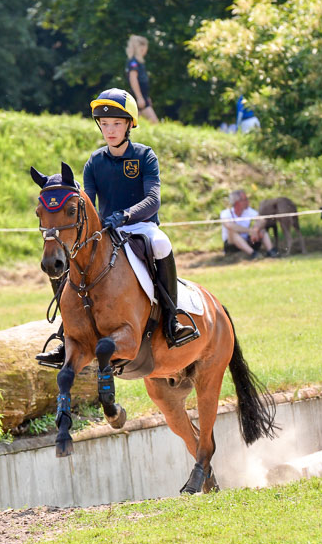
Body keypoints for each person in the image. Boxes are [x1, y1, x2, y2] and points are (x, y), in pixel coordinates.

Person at [36, 88, 198, 368]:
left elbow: (153, 199)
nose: (109, 130)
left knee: (161, 244)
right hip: (106, 231)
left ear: (129, 125)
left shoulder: (145, 156)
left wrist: (124, 216)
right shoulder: (94, 162)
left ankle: (172, 319)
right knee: (68, 259)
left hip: (140, 226)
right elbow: (88, 204)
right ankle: (66, 335)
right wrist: (98, 224)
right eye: (105, 125)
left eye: (116, 124)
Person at [220, 190, 278, 260]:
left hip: (247, 241)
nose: (247, 201)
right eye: (245, 199)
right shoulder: (225, 213)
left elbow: (262, 220)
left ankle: (271, 251)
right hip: (231, 245)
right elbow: (229, 225)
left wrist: (256, 229)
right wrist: (249, 231)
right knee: (232, 231)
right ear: (237, 202)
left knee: (261, 230)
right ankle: (254, 254)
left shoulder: (248, 211)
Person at [125, 35, 159, 125]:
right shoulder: (133, 62)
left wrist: (146, 97)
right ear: (141, 48)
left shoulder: (138, 62)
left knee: (136, 124)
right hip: (138, 96)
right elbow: (133, 79)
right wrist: (139, 97)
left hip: (142, 96)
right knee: (154, 122)